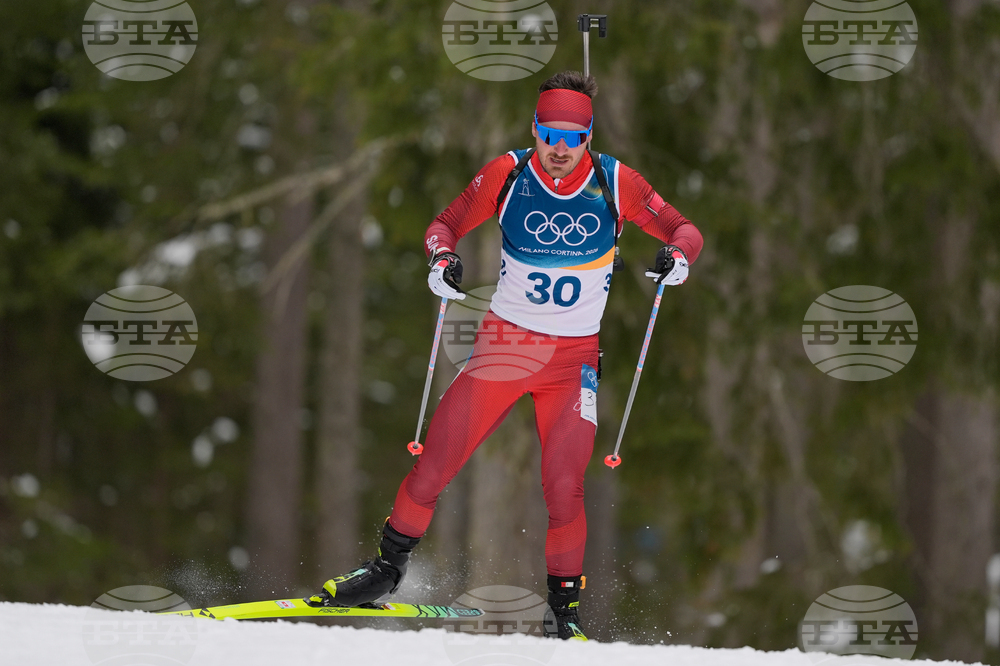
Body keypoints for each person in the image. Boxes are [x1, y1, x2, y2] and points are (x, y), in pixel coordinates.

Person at [309, 71, 704, 641]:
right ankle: (384, 572)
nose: (561, 150)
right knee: (435, 463)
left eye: (573, 137)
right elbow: (444, 225)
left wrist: (677, 256)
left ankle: (563, 616)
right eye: (550, 135)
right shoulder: (509, 173)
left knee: (564, 487)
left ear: (589, 137)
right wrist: (441, 261)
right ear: (535, 131)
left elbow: (682, 227)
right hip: (505, 349)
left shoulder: (617, 183)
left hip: (573, 365)